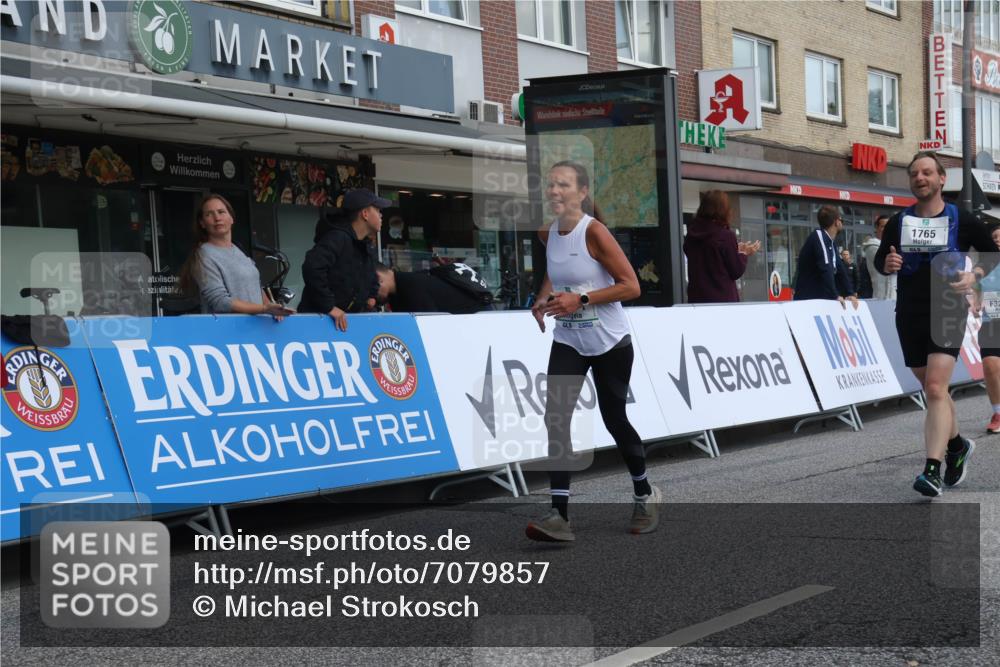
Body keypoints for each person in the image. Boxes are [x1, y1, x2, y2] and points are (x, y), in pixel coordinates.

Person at [525, 160, 655, 543]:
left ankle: (645, 494)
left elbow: (631, 286)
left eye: (563, 185)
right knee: (556, 418)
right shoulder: (547, 233)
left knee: (614, 419)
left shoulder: (594, 232)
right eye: (551, 184)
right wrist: (544, 297)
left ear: (582, 192)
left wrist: (580, 299)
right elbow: (554, 270)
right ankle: (559, 516)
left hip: (609, 342)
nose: (554, 191)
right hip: (569, 340)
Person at [874, 151, 997, 497]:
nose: (920, 178)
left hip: (947, 309)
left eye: (927, 172)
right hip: (909, 310)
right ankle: (957, 445)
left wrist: (974, 275)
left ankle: (932, 470)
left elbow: (992, 253)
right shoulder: (899, 222)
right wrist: (888, 262)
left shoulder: (962, 218)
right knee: (931, 387)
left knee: (934, 387)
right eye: (914, 173)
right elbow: (882, 259)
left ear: (942, 179)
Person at [179, 194, 293, 319]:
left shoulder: (238, 250)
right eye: (209, 214)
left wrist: (272, 307)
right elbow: (220, 302)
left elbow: (256, 288)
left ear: (231, 218)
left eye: (221, 212)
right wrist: (263, 309)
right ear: (202, 223)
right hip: (227, 329)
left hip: (256, 327)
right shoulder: (203, 255)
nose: (217, 218)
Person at [299, 188, 387, 331]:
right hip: (318, 323)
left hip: (345, 325)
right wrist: (329, 307)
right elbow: (312, 267)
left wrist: (371, 297)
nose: (381, 215)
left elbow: (370, 277)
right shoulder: (337, 238)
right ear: (365, 214)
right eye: (377, 210)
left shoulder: (365, 246)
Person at [683, 190, 760, 303]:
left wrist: (735, 249)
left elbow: (708, 254)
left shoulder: (692, 235)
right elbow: (736, 270)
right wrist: (744, 253)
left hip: (697, 300)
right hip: (722, 302)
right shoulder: (725, 236)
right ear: (724, 210)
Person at [793, 205, 858, 307]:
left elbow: (840, 270)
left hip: (819, 299)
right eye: (841, 220)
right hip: (808, 300)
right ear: (836, 222)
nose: (842, 223)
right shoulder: (819, 237)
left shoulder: (830, 243)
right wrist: (834, 295)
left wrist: (850, 293)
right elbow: (826, 268)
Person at [375, 263, 493, 314]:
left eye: (372, 291)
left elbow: (429, 331)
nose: (372, 297)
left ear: (379, 278)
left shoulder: (411, 289)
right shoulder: (410, 282)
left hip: (479, 323)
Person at [860, 215, 896, 300]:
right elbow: (891, 264)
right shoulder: (871, 246)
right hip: (881, 296)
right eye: (883, 226)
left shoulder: (892, 245)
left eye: (889, 226)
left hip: (895, 296)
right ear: (877, 228)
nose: (886, 229)